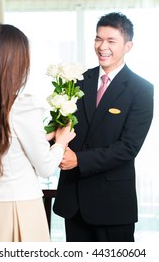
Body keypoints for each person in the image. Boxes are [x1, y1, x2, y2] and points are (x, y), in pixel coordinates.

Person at [53, 12, 154, 242]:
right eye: (98, 39)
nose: (102, 46)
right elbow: (62, 127)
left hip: (113, 205)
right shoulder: (76, 81)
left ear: (128, 46)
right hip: (74, 201)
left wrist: (79, 160)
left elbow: (129, 147)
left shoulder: (141, 90)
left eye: (111, 41)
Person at [0, 23, 76, 242]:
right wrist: (61, 141)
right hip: (20, 207)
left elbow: (2, 141)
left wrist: (41, 138)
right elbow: (45, 167)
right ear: (16, 62)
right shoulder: (23, 106)